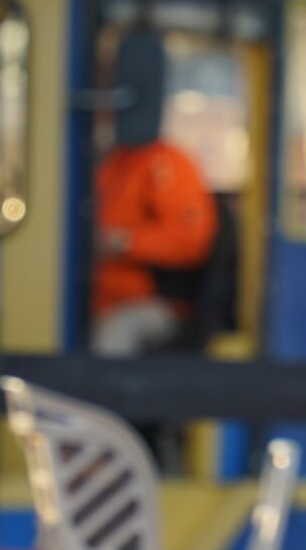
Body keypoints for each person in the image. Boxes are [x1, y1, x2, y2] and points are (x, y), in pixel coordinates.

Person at [91, 32, 218, 356]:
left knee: (112, 338)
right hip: (94, 298)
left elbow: (190, 240)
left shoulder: (168, 164)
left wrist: (122, 242)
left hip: (147, 303)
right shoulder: (110, 162)